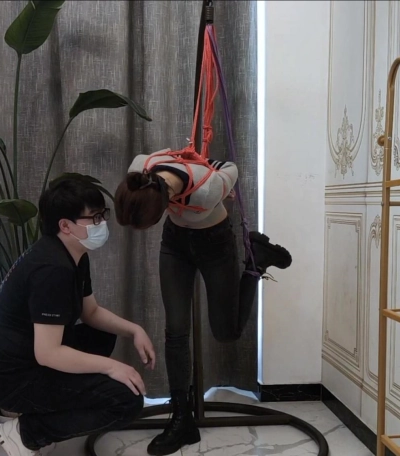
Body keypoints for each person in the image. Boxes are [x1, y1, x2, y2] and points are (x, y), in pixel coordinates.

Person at [114, 148, 292, 456]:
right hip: (174, 244)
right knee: (175, 330)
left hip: (215, 244)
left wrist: (214, 173)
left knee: (226, 332)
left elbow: (231, 167)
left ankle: (258, 261)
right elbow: (166, 155)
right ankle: (181, 418)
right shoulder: (140, 168)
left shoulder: (207, 190)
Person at [0, 178, 156, 456]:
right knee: (126, 402)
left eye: (103, 215)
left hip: (29, 359)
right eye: (94, 217)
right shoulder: (52, 269)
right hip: (12, 380)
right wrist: (112, 367)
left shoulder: (73, 254)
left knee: (102, 334)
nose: (102, 223)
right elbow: (48, 353)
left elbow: (91, 312)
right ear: (65, 225)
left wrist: (134, 330)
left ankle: (56, 408)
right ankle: (27, 432)